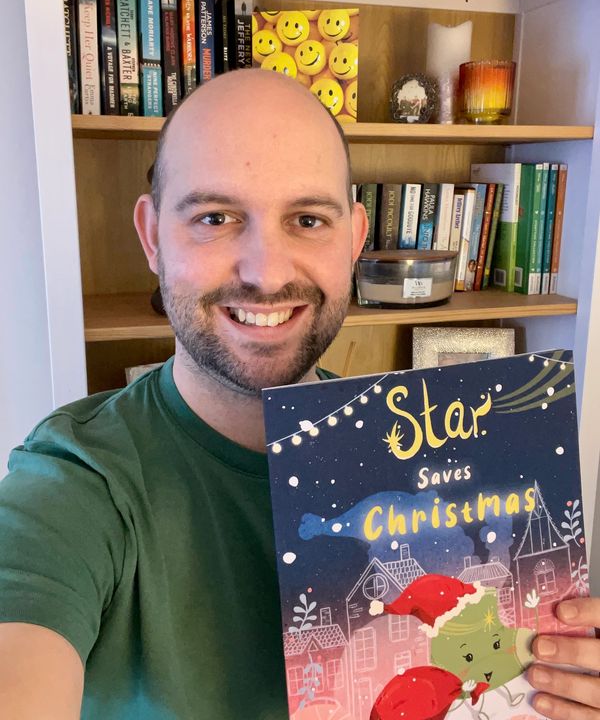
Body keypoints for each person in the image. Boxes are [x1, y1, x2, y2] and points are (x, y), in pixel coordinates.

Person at [0, 69, 597, 719]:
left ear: (354, 240)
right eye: (215, 218)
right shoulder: (77, 483)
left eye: (308, 219)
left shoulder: (428, 450)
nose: (267, 272)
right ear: (151, 237)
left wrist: (558, 689)